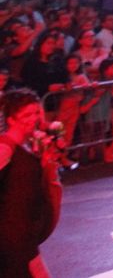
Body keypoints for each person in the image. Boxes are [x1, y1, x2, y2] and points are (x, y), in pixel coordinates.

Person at [0, 88, 64, 278]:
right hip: (12, 237)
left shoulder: (29, 146)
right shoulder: (5, 148)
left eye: (36, 112)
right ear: (11, 119)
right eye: (26, 114)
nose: (33, 118)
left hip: (24, 234)